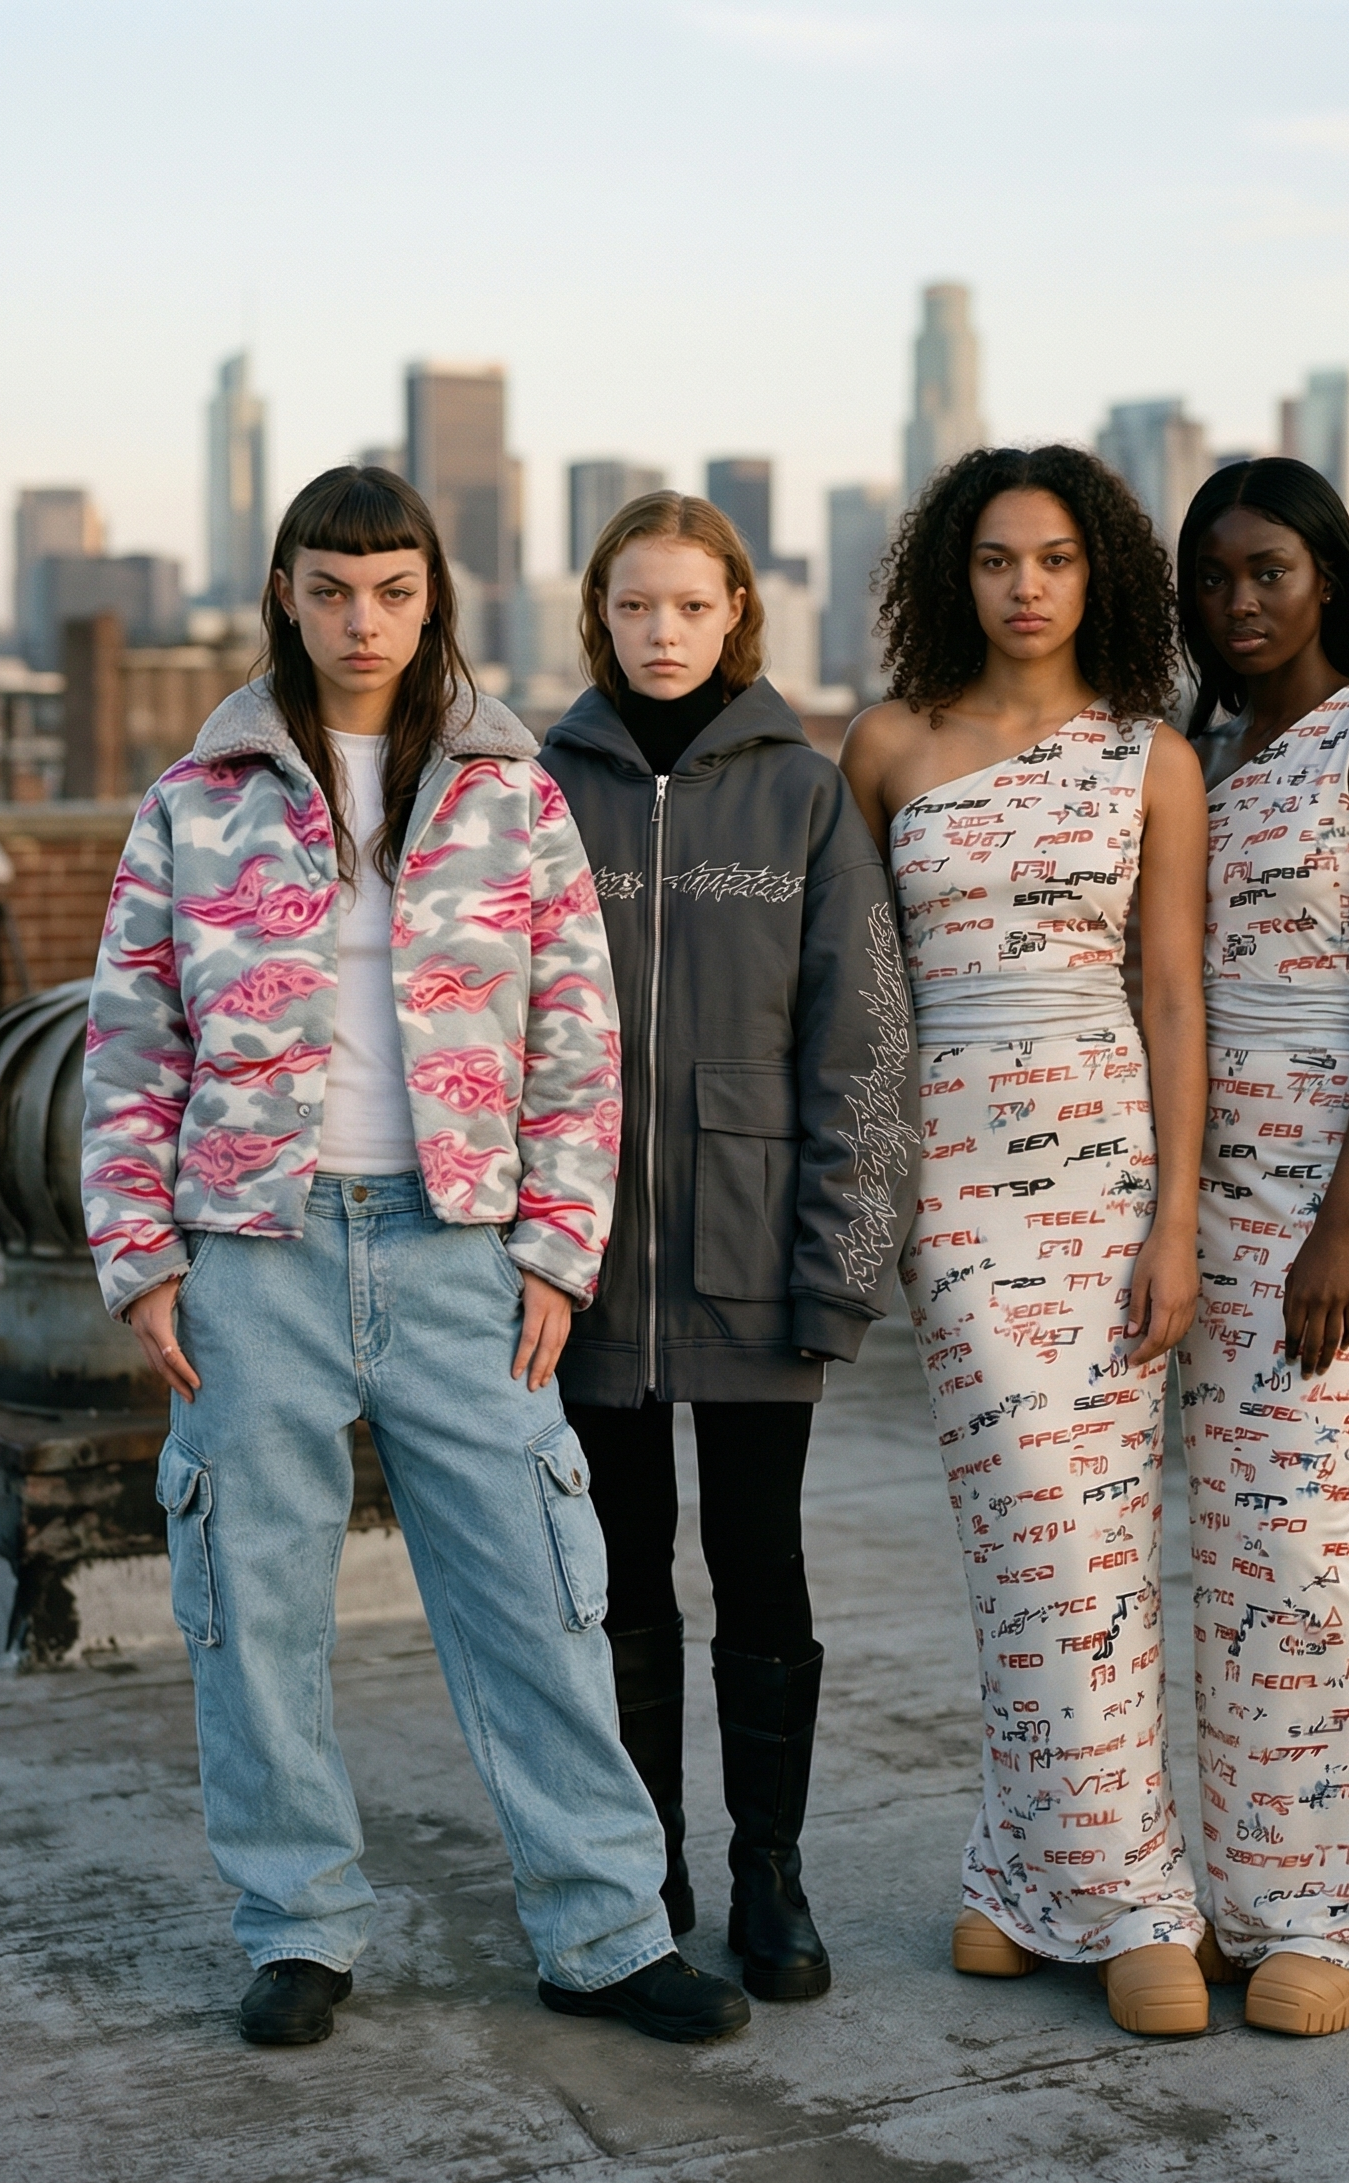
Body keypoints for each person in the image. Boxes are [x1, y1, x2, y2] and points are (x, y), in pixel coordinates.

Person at [80, 465, 747, 2049]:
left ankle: (606, 1934)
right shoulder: (195, 799)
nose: (361, 622)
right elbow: (132, 1040)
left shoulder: (512, 794)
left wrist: (558, 1250)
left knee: (537, 1596)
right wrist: (140, 1255)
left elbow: (579, 1038)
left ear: (431, 594)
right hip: (255, 1253)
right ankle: (298, 1928)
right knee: (254, 1608)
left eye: (391, 591)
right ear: (286, 596)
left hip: (460, 1255)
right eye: (329, 590)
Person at [842, 445, 1216, 2038]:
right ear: (956, 575)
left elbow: (1174, 996)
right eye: (997, 558)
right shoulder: (887, 746)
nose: (1026, 586)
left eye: (1056, 558)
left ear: (1098, 573)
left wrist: (1177, 1220)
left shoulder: (1152, 759)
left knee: (1095, 1540)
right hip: (957, 1186)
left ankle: (1047, 1887)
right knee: (1027, 1537)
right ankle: (1099, 1892)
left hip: (1110, 1176)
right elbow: (855, 1000)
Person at [539, 492, 916, 2003]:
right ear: (599, 614)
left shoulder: (805, 795)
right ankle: (646, 1867)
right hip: (582, 1271)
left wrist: (841, 1270)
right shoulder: (538, 788)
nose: (664, 632)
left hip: (755, 1265)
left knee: (760, 1570)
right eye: (635, 605)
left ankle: (771, 1871)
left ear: (738, 614)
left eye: (693, 606)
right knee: (618, 1578)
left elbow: (863, 1050)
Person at [1172, 456, 1349, 2037]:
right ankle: (1250, 1898)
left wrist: (1340, 1220)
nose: (1240, 603)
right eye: (1213, 578)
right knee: (1229, 1549)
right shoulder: (1209, 751)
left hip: (1330, 1194)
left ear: (1326, 573)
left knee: (1306, 1541)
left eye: (1267, 570)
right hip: (1212, 1189)